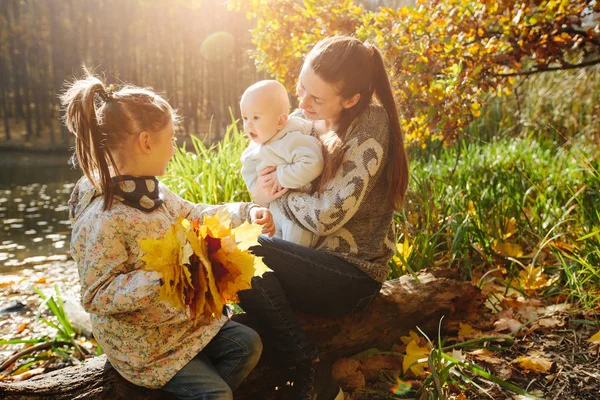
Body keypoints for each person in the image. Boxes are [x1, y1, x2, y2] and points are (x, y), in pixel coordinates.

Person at [62, 68, 272, 400]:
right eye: (172, 139)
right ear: (146, 142)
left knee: (248, 344)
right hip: (143, 345)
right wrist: (164, 278)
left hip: (181, 325)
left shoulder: (153, 191)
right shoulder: (102, 218)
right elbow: (96, 294)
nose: (174, 148)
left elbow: (194, 214)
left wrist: (244, 212)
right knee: (217, 395)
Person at [237, 36, 409, 400]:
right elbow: (260, 179)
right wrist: (262, 205)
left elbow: (326, 216)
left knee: (245, 250)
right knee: (227, 243)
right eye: (301, 87)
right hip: (305, 258)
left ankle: (307, 368)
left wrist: (280, 196)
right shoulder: (301, 119)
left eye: (316, 97)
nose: (302, 102)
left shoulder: (370, 124)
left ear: (350, 100)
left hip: (350, 273)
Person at [240, 79, 323, 247]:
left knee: (293, 248)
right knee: (263, 248)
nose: (248, 124)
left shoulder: (291, 138)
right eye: (245, 118)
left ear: (280, 121)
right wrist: (259, 194)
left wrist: (280, 176)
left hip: (296, 213)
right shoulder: (253, 149)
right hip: (272, 210)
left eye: (256, 117)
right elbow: (248, 172)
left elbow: (313, 162)